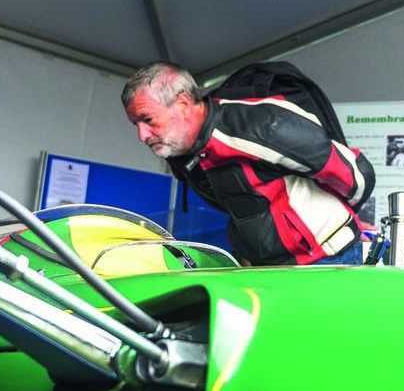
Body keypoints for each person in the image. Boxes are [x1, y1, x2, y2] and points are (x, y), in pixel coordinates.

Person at [121, 61, 372, 266]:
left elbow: (356, 177)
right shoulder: (182, 155)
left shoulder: (262, 125)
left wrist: (340, 219)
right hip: (270, 267)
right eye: (136, 124)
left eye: (148, 120)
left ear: (183, 104)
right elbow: (243, 204)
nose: (142, 135)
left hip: (328, 256)